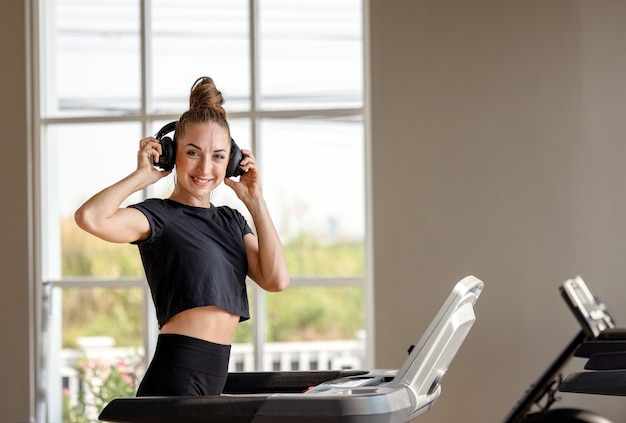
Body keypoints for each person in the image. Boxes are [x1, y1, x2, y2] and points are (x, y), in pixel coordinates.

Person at [74, 76, 290, 396]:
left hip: (212, 381)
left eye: (218, 155)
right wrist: (141, 175)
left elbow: (276, 279)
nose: (205, 167)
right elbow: (90, 217)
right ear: (171, 153)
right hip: (175, 381)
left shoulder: (232, 221)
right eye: (192, 152)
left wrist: (255, 201)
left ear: (230, 162)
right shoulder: (159, 217)